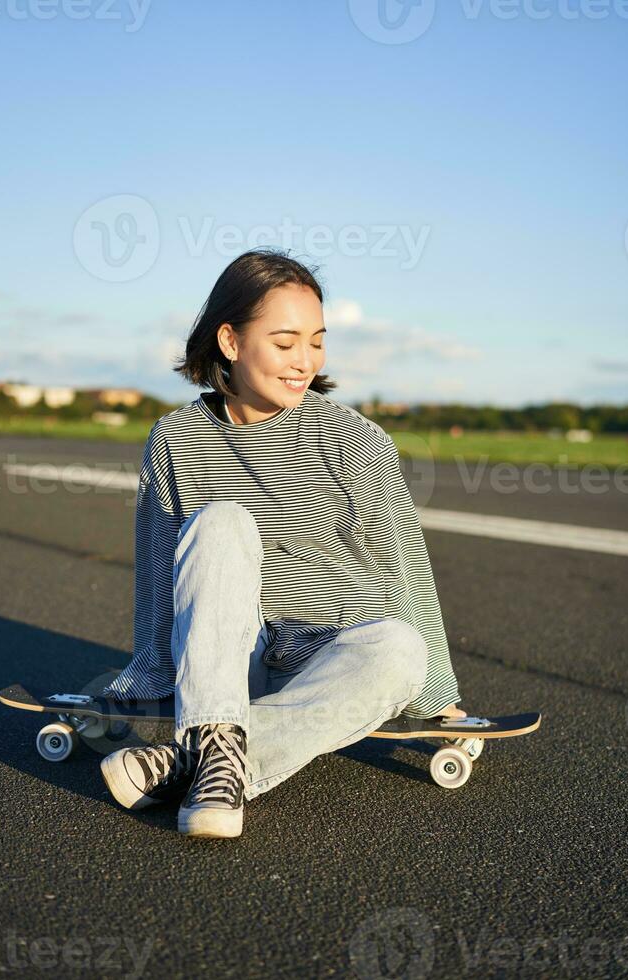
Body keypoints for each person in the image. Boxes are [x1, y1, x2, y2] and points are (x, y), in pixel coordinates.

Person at [99, 248, 465, 839]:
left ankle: (196, 762)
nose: (304, 361)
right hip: (229, 662)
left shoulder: (356, 438)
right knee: (220, 523)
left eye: (316, 342)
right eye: (286, 341)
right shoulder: (176, 437)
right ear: (230, 341)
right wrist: (149, 678)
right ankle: (216, 738)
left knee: (400, 646)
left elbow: (406, 571)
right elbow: (158, 576)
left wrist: (439, 698)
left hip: (331, 661)